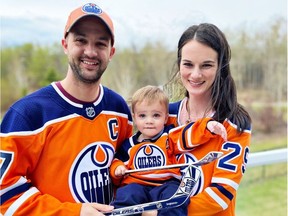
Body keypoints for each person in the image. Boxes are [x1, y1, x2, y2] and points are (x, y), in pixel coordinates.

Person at [0, 3, 133, 216]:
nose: (90, 51)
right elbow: (4, 196)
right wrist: (74, 212)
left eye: (100, 44)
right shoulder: (27, 114)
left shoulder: (118, 109)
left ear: (111, 52)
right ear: (65, 44)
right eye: (80, 40)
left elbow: (127, 171)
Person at [165, 23, 252, 216]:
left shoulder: (234, 122)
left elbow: (220, 195)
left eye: (206, 65)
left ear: (220, 66)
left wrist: (162, 212)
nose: (195, 74)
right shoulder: (163, 116)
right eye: (188, 64)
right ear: (179, 64)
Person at [109, 85, 227, 216]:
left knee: (176, 198)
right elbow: (116, 160)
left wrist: (207, 126)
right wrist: (117, 169)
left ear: (165, 118)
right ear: (135, 118)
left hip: (165, 185)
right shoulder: (129, 145)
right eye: (142, 116)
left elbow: (188, 134)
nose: (149, 121)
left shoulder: (168, 137)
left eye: (156, 115)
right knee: (127, 193)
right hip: (137, 184)